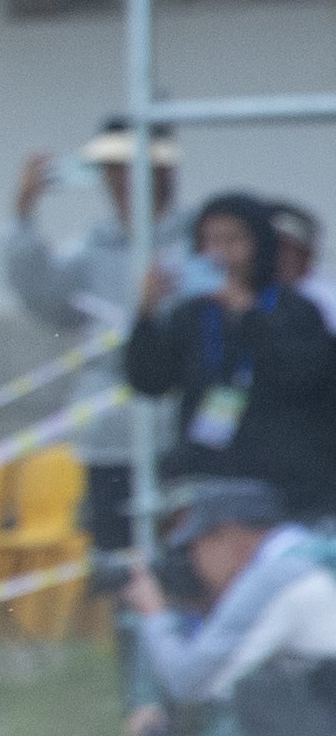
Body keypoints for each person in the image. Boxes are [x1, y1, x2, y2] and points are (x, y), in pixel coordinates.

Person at [4, 127, 202, 562]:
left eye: (129, 171)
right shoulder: (97, 245)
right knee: (115, 551)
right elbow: (50, 297)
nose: (120, 184)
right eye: (111, 172)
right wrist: (22, 217)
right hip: (110, 425)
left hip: (177, 418)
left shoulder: (194, 241)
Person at [127, 479, 336, 736]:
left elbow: (190, 681)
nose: (193, 560)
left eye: (197, 545)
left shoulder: (276, 576)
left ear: (231, 537)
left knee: (260, 693)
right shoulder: (315, 553)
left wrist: (154, 615)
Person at [123, 192, 336, 522]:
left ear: (259, 244)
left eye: (232, 240)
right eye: (209, 241)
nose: (219, 253)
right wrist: (146, 313)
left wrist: (245, 311)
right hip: (212, 481)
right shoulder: (192, 315)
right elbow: (149, 381)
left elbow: (305, 374)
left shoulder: (295, 308)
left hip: (290, 487)